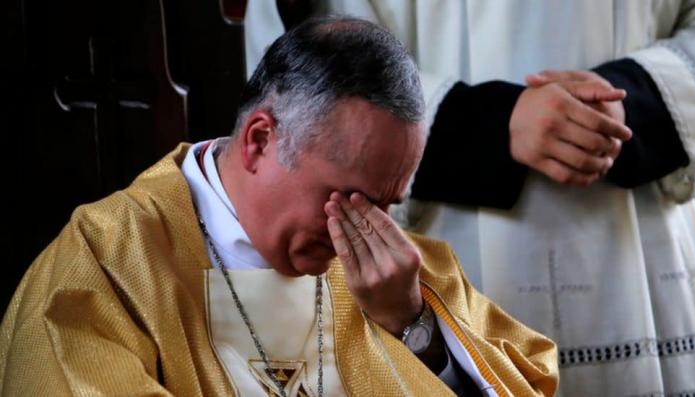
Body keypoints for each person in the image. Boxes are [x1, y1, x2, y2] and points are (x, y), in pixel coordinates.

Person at [0, 16, 560, 396]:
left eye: (390, 203)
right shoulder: (101, 268)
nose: (369, 228)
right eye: (350, 197)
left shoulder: (403, 273)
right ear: (261, 141)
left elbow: (528, 381)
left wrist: (413, 327)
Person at [244, 1, 695, 395]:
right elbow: (299, 52)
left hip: (639, 247)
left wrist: (632, 105)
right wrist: (488, 123)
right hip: (427, 236)